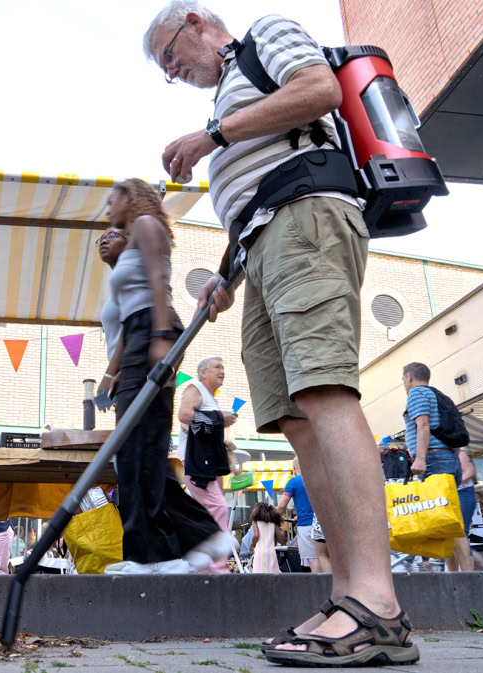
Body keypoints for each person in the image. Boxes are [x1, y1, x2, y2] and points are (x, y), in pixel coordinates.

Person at [144, 3, 417, 665]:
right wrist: (226, 276)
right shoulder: (227, 102)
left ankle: (378, 603)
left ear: (194, 21)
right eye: (166, 71)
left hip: (307, 220)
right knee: (296, 420)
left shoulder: (265, 36)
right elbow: (253, 198)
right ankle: (348, 594)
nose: (175, 73)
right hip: (263, 245)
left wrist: (211, 136)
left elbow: (319, 90)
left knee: (324, 392)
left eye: (171, 57)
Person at [105, 178, 229, 574]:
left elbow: (159, 279)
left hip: (151, 331)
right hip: (139, 334)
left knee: (141, 446)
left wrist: (160, 335)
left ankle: (156, 552)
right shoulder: (131, 241)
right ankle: (181, 542)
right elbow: (128, 312)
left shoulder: (146, 225)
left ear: (130, 197)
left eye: (112, 200)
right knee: (134, 450)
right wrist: (113, 372)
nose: (107, 209)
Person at [402, 362, 472, 571]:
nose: (403, 383)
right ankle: (455, 575)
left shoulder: (416, 393)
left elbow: (423, 424)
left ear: (409, 377)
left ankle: (468, 577)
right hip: (448, 458)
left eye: (403, 379)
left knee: (449, 520)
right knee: (445, 519)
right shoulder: (440, 396)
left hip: (435, 460)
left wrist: (420, 458)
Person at [177, 355, 239, 573]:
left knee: (208, 511)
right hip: (197, 462)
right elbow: (184, 415)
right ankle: (214, 566)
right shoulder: (195, 388)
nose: (222, 371)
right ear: (203, 372)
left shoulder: (209, 397)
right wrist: (220, 418)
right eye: (217, 367)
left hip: (208, 463)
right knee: (218, 507)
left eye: (223, 367)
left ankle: (204, 564)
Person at [96, 227, 129, 399]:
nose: (103, 241)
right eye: (101, 239)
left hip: (134, 372)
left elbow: (131, 328)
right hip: (124, 374)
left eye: (112, 236)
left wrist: (108, 376)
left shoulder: (129, 278)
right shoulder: (118, 283)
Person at [278, 458, 318, 571]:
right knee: (324, 557)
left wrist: (274, 517)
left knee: (312, 560)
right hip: (322, 524)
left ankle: (320, 582)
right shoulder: (317, 479)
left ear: (294, 468)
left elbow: (282, 505)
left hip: (306, 525)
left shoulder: (294, 481)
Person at [447, 448, 477, 572]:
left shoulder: (457, 450)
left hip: (462, 492)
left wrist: (451, 483)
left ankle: (468, 573)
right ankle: (453, 575)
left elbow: (469, 471)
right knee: (448, 535)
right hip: (448, 494)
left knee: (459, 532)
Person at [250, 502, 285, 574]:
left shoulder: (255, 522)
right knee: (272, 575)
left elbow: (256, 535)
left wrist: (252, 545)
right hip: (271, 552)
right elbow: (281, 536)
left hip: (260, 552)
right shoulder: (273, 522)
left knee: (259, 576)